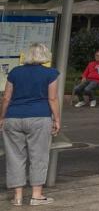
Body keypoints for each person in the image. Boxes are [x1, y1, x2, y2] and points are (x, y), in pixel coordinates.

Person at [1, 43, 59, 206]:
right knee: (38, 156)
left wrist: (2, 117)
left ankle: (18, 197)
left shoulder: (15, 72)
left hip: (13, 117)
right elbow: (53, 98)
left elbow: (6, 98)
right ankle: (36, 195)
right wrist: (57, 119)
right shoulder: (50, 73)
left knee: (14, 156)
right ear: (45, 55)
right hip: (40, 118)